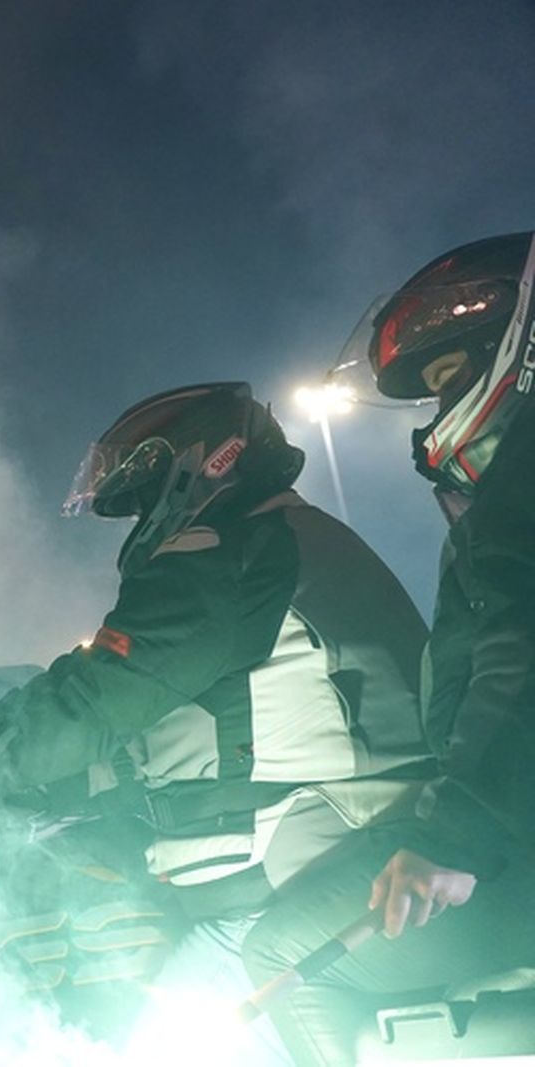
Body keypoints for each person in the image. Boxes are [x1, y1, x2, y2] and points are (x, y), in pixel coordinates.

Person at [0, 382, 434, 1062]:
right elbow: (159, 741)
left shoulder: (230, 552)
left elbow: (96, 700)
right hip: (334, 857)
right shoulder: (283, 540)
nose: (143, 518)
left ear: (204, 462)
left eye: (145, 497)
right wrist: (28, 787)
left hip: (303, 875)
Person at [241, 233, 535, 1065]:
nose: (442, 404)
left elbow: (520, 650)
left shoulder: (521, 477)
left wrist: (457, 833)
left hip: (510, 833)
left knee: (282, 954)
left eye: (451, 373)